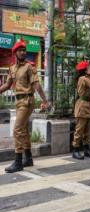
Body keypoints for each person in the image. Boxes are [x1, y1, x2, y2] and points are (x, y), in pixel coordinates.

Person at [0, 39, 49, 173]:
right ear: (15, 53)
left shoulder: (29, 66)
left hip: (27, 101)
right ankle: (28, 158)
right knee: (24, 129)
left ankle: (18, 161)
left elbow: (37, 85)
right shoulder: (12, 68)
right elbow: (8, 85)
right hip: (19, 101)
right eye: (20, 50)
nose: (23, 52)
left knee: (17, 130)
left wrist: (45, 100)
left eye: (24, 50)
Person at [72, 61, 90, 160]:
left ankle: (86, 149)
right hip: (82, 105)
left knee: (86, 130)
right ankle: (75, 150)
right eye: (89, 68)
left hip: (86, 105)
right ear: (85, 70)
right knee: (79, 129)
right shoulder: (83, 78)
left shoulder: (85, 78)